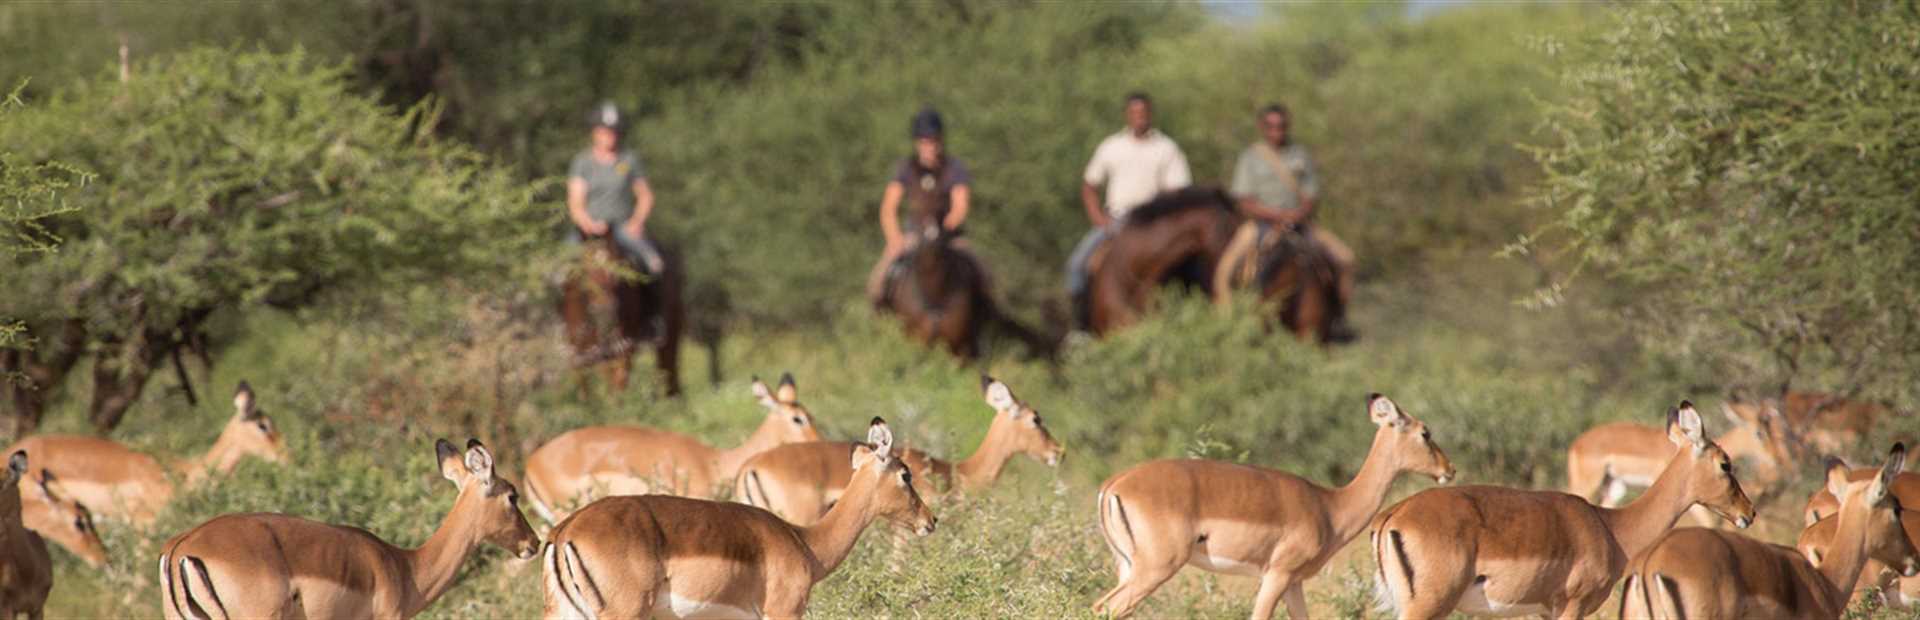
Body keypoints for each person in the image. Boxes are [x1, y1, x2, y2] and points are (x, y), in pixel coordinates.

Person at [1217, 103, 1355, 334]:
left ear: (1287, 126)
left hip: (1300, 224)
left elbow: (1311, 196)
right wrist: (1277, 216)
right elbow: (1244, 201)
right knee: (1225, 270)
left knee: (1346, 259)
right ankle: (1229, 323)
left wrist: (1297, 215)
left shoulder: (1300, 155)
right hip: (1260, 225)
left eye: (1281, 126)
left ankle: (1339, 318)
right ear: (1262, 127)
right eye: (1271, 126)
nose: (1276, 131)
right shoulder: (1251, 158)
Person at [1067, 92, 1192, 324]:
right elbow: (1089, 185)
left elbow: (1179, 192)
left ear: (1151, 114)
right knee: (1077, 266)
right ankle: (1080, 327)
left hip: (1152, 224)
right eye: (1135, 113)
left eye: (1144, 112)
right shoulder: (1112, 146)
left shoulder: (1167, 148)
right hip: (1116, 220)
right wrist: (1098, 218)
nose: (1140, 117)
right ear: (1127, 115)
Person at [865, 107, 980, 307]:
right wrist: (894, 239)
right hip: (913, 236)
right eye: (924, 142)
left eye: (933, 141)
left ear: (940, 141)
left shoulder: (953, 168)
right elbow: (889, 207)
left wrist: (943, 229)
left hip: (949, 237)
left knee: (981, 272)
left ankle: (987, 321)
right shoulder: (906, 168)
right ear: (917, 143)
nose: (929, 147)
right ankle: (879, 323)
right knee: (878, 280)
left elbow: (960, 205)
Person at [567, 101, 664, 274]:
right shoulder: (582, 162)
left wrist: (636, 222)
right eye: (604, 131)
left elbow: (645, 196)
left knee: (653, 262)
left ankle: (655, 297)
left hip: (622, 227)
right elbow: (575, 201)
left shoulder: (629, 160)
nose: (609, 136)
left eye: (613, 132)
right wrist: (587, 224)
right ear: (594, 132)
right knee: (559, 266)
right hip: (588, 229)